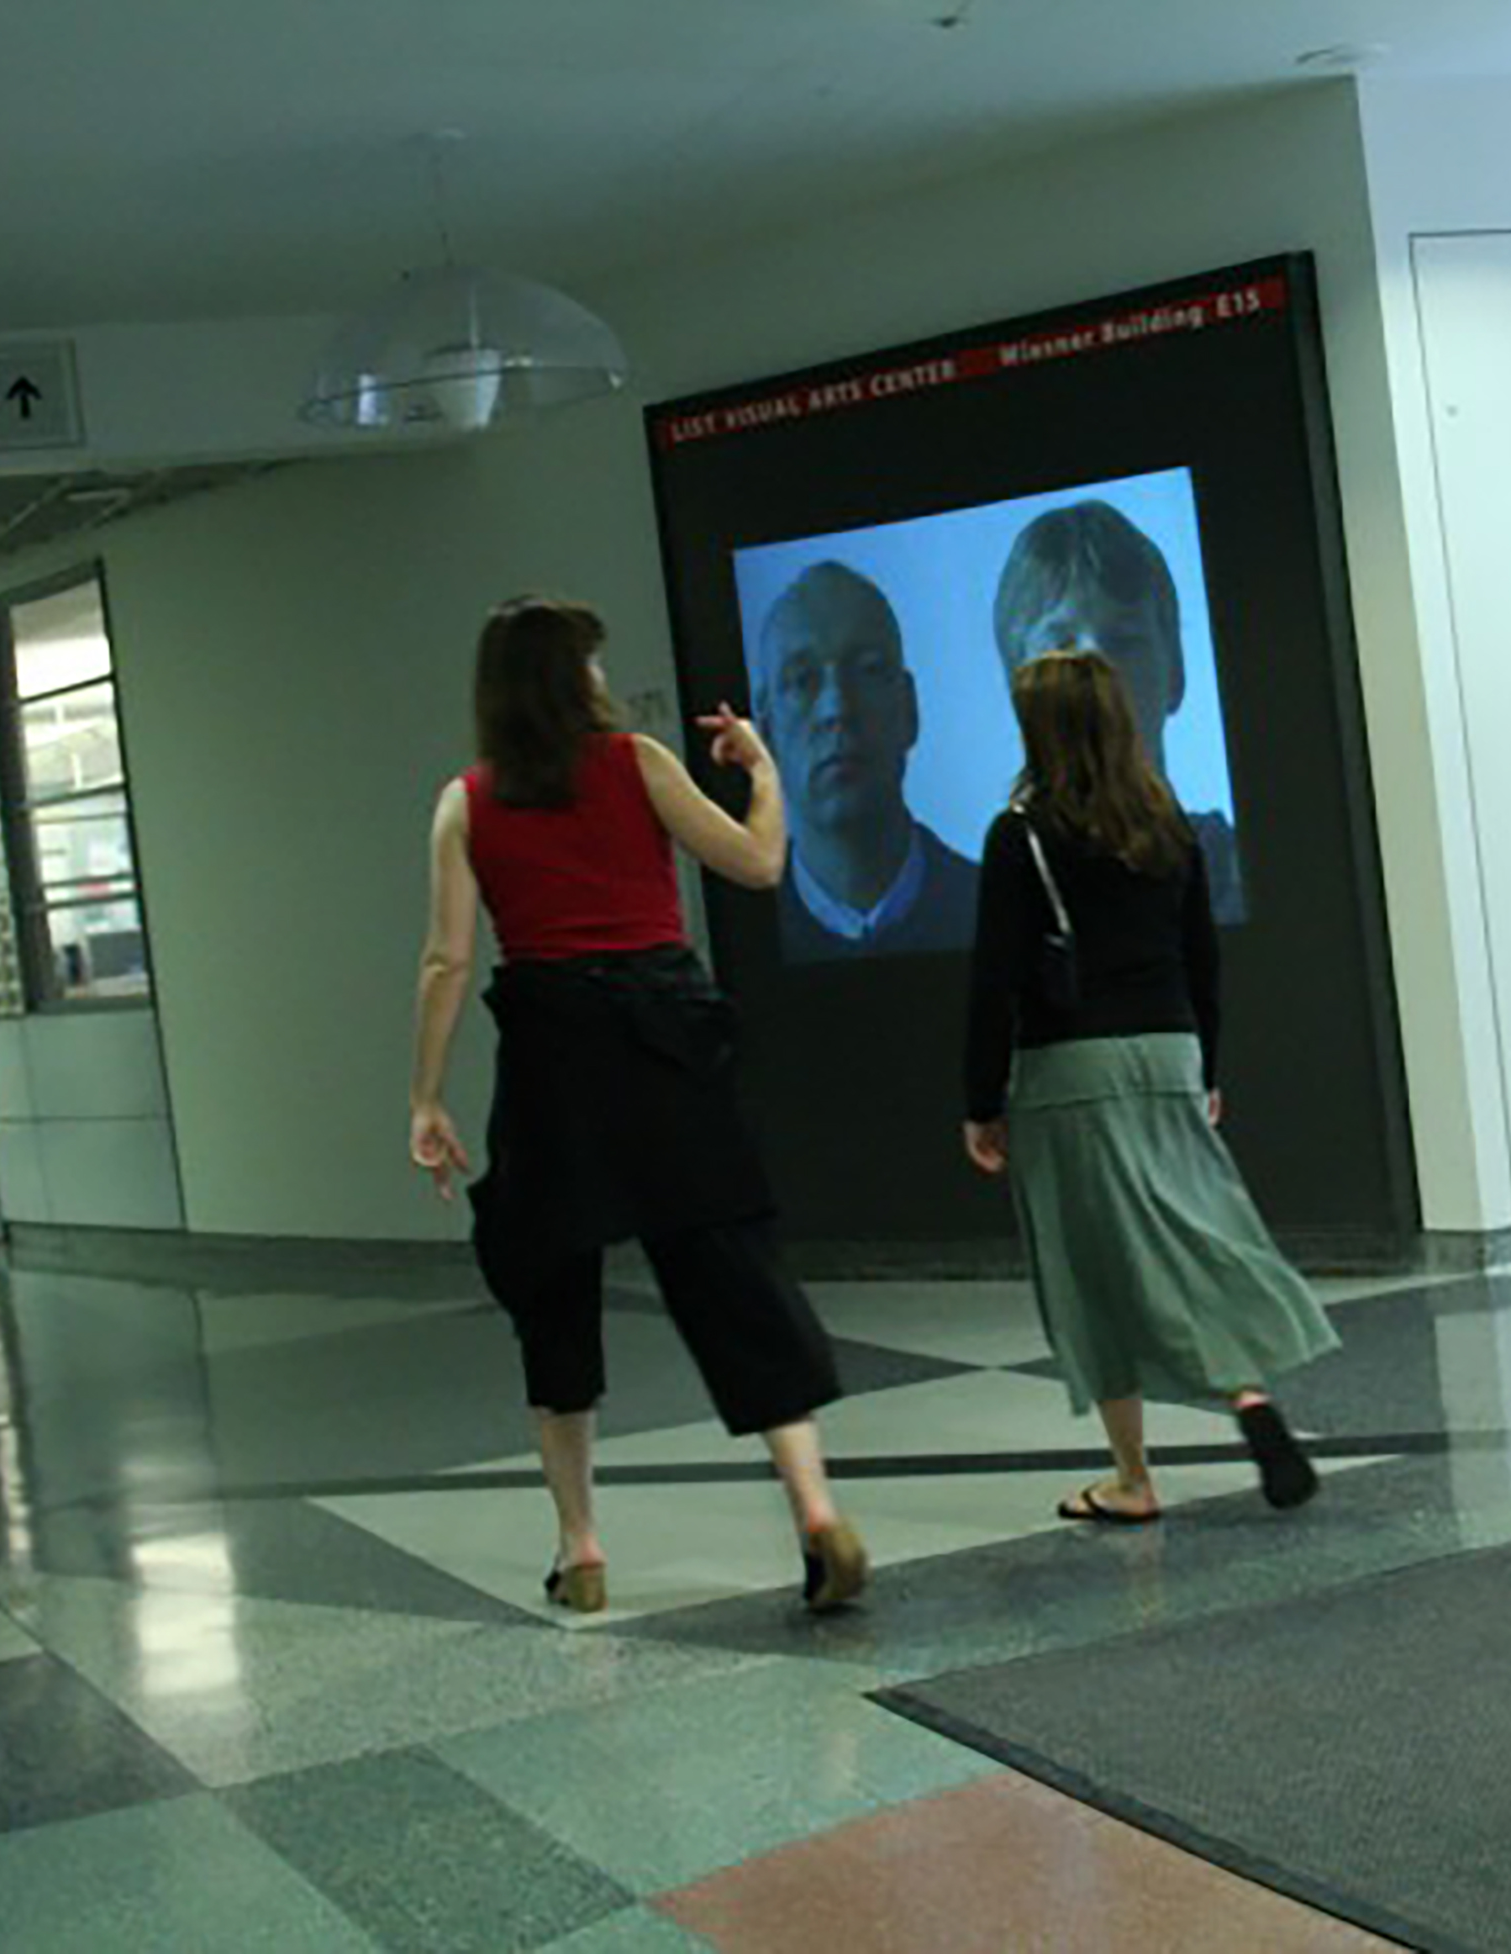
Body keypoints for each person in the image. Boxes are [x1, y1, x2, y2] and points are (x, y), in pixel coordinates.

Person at [412, 595, 867, 1616]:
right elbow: (757, 862)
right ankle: (815, 1511)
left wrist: (425, 1094)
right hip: (667, 1043)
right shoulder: (640, 763)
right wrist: (763, 773)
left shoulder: (465, 801)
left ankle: (581, 1548)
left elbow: (447, 959)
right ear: (573, 678)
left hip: (551, 1057)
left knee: (552, 1292)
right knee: (731, 1276)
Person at [960, 649, 1333, 1524]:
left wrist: (980, 1101)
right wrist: (1206, 1068)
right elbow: (1201, 958)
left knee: (1093, 1273)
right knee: (1195, 1235)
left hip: (1069, 1069)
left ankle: (1132, 1478)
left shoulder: (1018, 833)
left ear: (1036, 728)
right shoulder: (1167, 823)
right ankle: (1246, 1393)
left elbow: (995, 978)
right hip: (1168, 1052)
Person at [991, 501, 1245, 921]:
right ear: (1022, 693)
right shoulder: (999, 892)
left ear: (1175, 671)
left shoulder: (1234, 872)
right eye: (1061, 648)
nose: (1097, 673)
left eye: (1124, 641)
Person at [749, 561, 980, 960]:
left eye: (868, 671)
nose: (836, 708)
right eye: (803, 681)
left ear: (909, 710)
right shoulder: (744, 936)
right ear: (765, 733)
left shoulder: (992, 907)